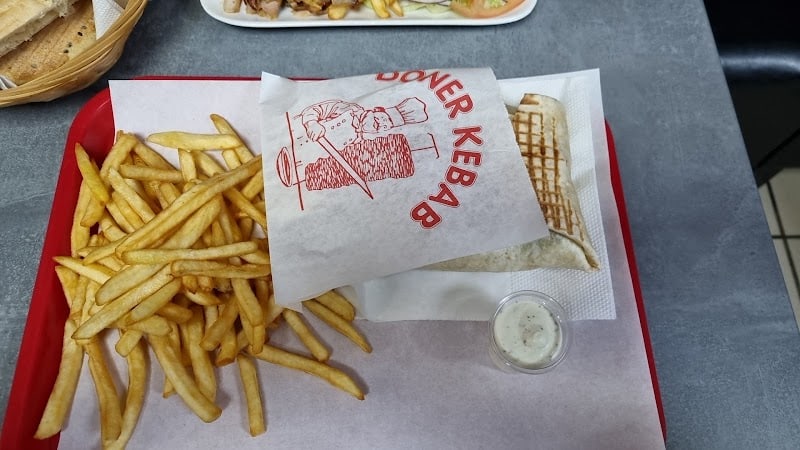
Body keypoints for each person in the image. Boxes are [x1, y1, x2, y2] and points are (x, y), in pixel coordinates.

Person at [298, 97, 428, 149]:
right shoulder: (348, 109)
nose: (378, 126)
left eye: (383, 127)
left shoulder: (358, 140)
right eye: (378, 120)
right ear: (375, 110)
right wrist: (312, 124)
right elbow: (315, 109)